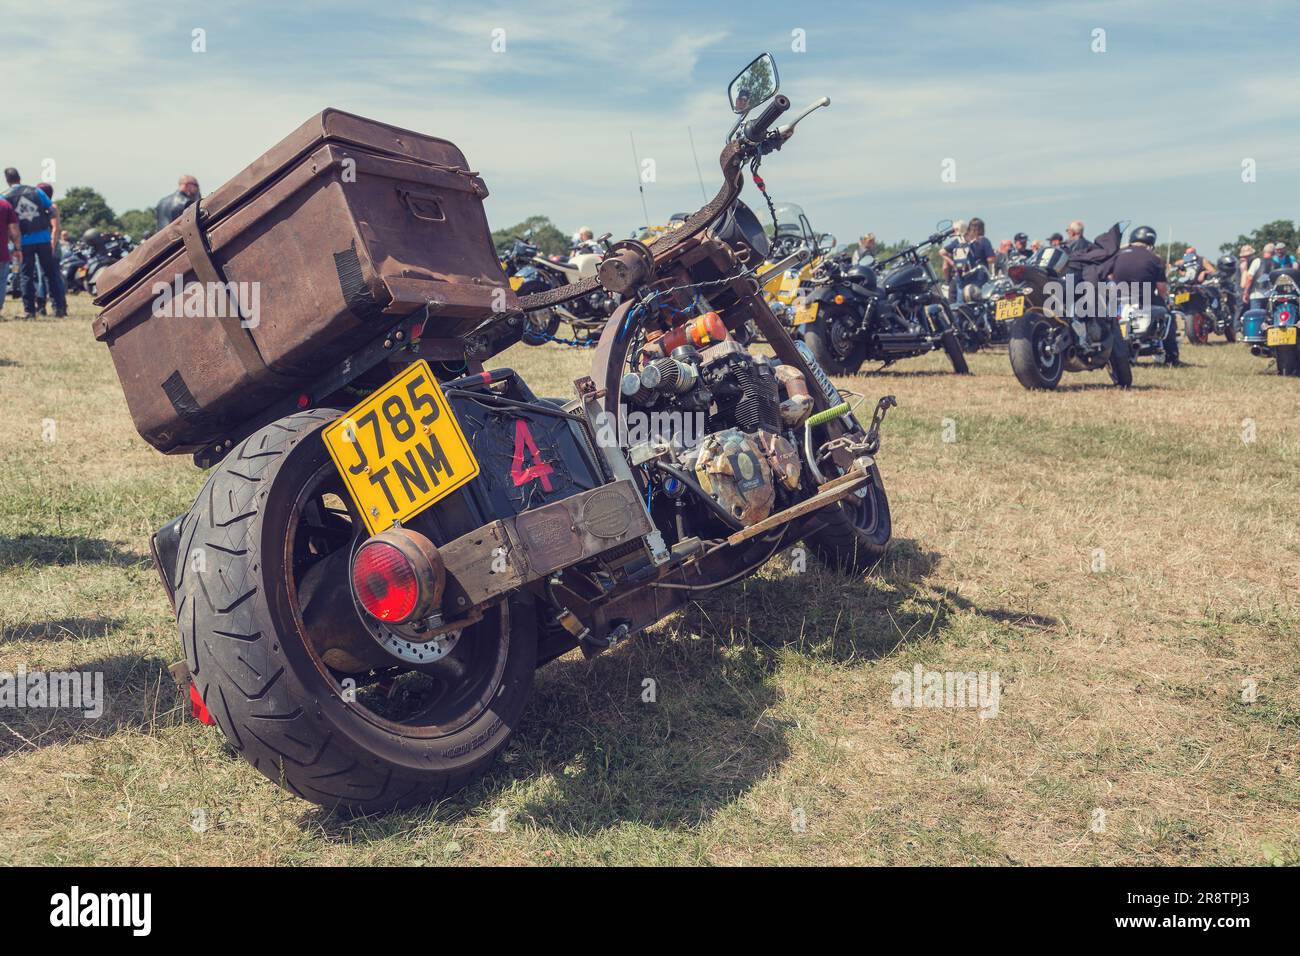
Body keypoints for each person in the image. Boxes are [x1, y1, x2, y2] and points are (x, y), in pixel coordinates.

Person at [3, 167, 66, 318]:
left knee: (26, 275)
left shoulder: (5, 197)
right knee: (50, 274)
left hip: (24, 241)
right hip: (44, 238)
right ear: (20, 177)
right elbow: (52, 211)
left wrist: (14, 243)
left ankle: (29, 311)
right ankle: (59, 309)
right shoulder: (36, 191)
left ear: (7, 180)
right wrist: (53, 234)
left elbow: (8, 224)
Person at [950, 217, 995, 300]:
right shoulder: (984, 241)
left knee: (962, 303)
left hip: (962, 276)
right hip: (980, 277)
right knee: (981, 301)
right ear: (981, 229)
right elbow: (991, 259)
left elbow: (943, 252)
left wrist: (952, 263)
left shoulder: (961, 240)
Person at [0, 195, 21, 319]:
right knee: (1, 281)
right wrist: (18, 248)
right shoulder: (5, 205)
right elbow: (14, 229)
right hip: (1, 252)